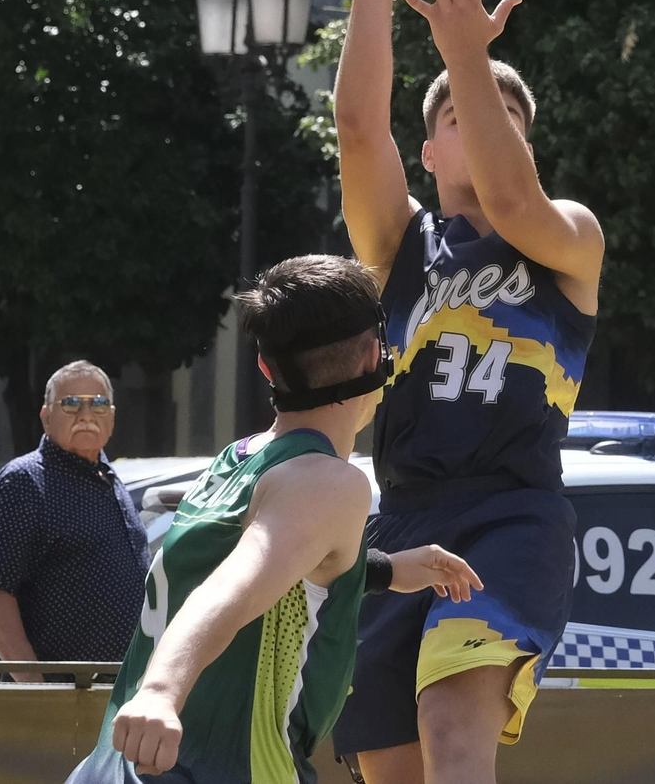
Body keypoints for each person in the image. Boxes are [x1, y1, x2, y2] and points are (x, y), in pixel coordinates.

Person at [324, 0, 603, 784]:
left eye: (505, 121)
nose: (481, 128)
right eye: (455, 120)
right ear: (432, 154)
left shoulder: (566, 238)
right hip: (403, 511)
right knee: (391, 768)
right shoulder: (399, 246)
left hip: (512, 513)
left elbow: (515, 200)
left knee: (453, 722)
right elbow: (359, 130)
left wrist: (466, 56)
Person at [67, 254, 483, 784]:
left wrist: (383, 570)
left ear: (266, 368)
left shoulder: (234, 462)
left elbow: (261, 561)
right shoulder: (330, 483)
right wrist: (160, 691)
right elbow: (233, 587)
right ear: (374, 357)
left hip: (113, 771)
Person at [0, 361, 148, 680]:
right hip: (58, 697)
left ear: (112, 415)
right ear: (45, 416)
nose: (86, 414)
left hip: (118, 693)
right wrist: (34, 687)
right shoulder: (23, 482)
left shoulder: (110, 480)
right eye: (70, 404)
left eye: (97, 403)